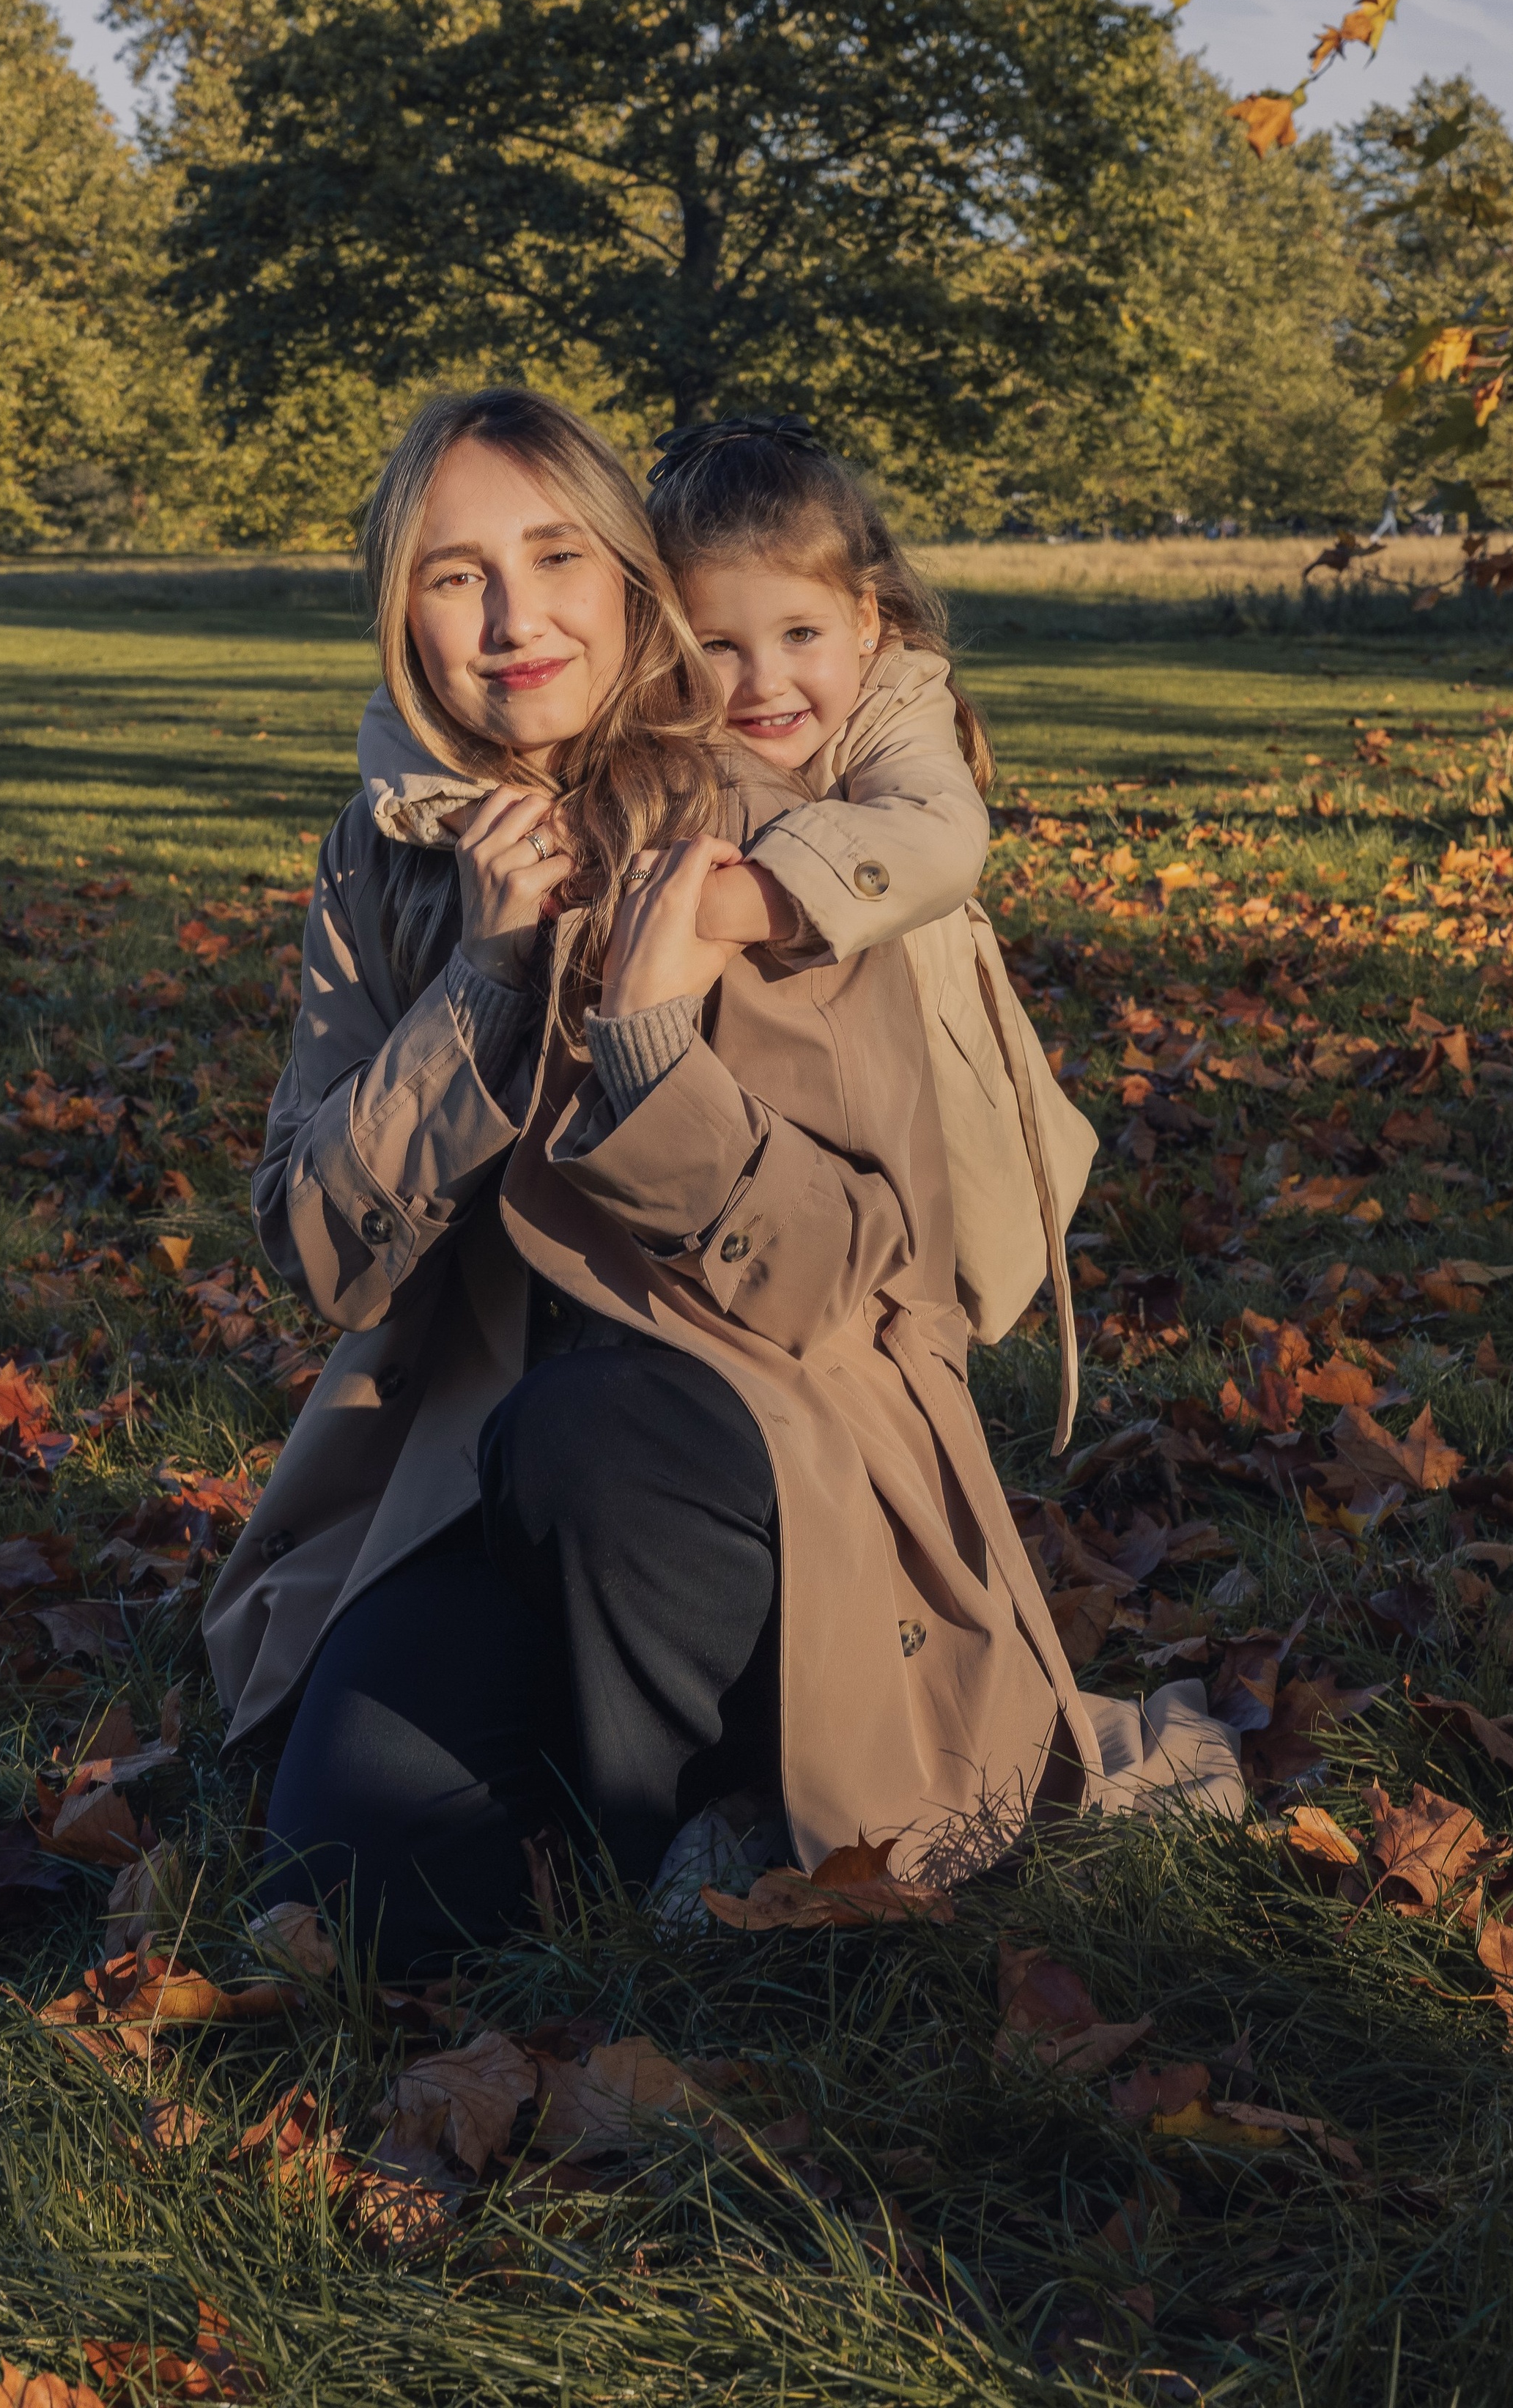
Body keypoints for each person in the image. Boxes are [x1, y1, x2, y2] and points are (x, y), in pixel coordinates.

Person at [205, 387, 1235, 1971]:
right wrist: (479, 982)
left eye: (553, 557)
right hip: (479, 1468)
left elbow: (841, 1274)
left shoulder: (773, 849)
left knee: (593, 1431)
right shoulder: (382, 854)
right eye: (451, 572)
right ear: (398, 609)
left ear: (627, 578)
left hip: (766, 1441)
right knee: (355, 1881)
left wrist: (646, 1048)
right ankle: (635, 1802)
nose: (510, 619)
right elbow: (318, 1252)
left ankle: (752, 1830)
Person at [361, 410, 1100, 1449]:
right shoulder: (650, 752)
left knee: (948, 1268)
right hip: (696, 1251)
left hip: (938, 1068)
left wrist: (727, 904)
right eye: (717, 647)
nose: (760, 683)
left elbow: (940, 835)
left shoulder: (893, 704)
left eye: (800, 635)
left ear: (867, 624)